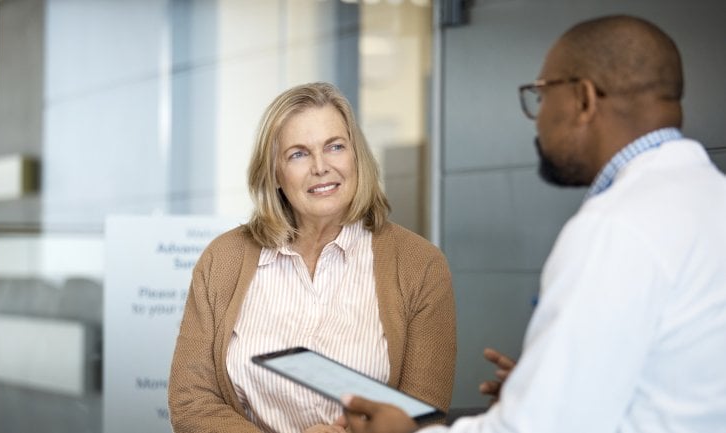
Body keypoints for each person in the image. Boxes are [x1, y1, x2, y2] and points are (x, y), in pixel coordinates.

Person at [341, 14, 726, 433]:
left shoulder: (615, 226)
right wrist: (540, 384)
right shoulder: (709, 197)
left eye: (540, 96)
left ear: (583, 99)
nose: (537, 119)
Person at [168, 82, 456, 433]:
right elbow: (190, 400)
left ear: (356, 156)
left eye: (335, 147)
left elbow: (424, 414)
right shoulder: (223, 259)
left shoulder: (419, 264)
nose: (321, 167)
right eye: (298, 154)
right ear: (274, 172)